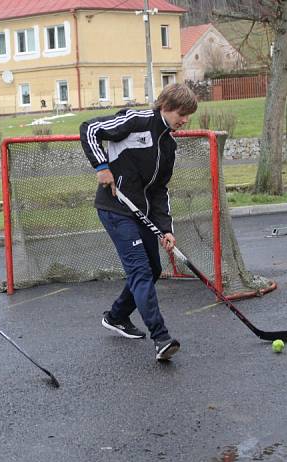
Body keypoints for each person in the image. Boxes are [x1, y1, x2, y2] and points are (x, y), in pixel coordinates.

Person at [79, 83, 197, 362]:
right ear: (166, 107)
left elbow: (159, 190)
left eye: (188, 115)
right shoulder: (136, 121)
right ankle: (162, 338)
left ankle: (116, 316)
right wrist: (101, 166)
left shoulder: (169, 145)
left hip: (141, 213)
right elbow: (89, 129)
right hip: (115, 208)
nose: (185, 120)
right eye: (182, 113)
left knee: (154, 268)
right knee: (140, 272)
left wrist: (166, 228)